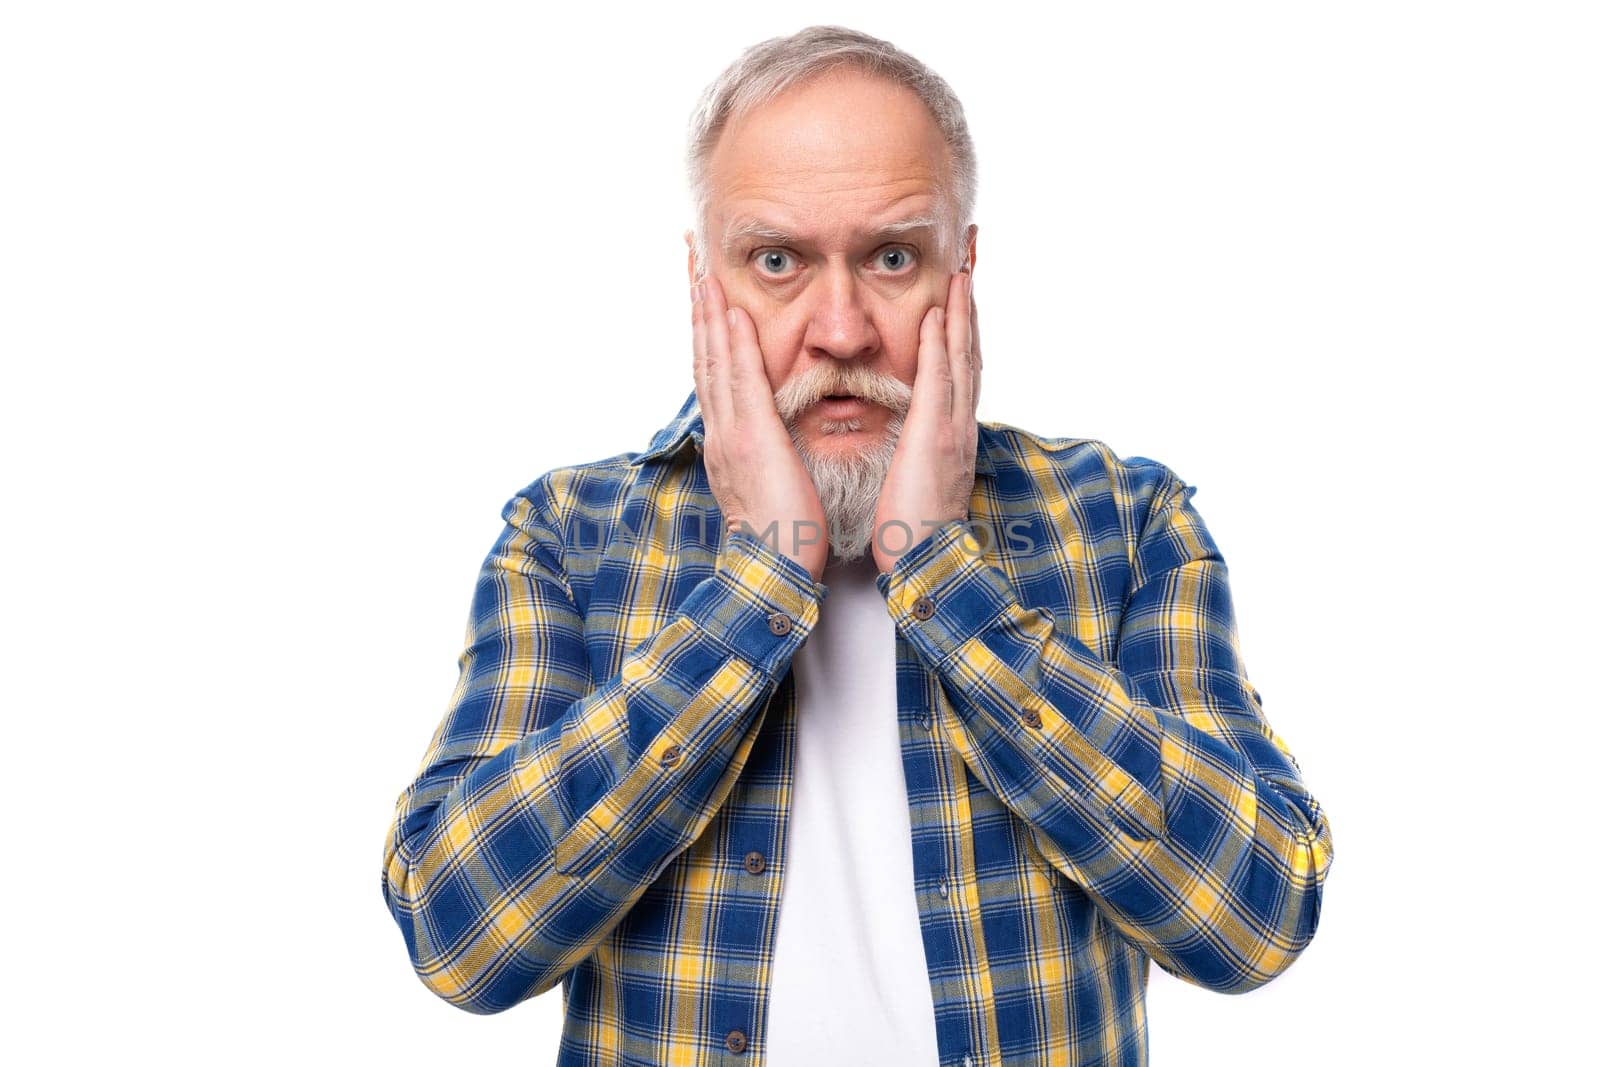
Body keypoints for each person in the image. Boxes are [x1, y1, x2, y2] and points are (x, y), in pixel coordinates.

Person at [380, 24, 1333, 1067]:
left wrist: (937, 571)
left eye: (890, 257)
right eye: (777, 260)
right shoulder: (569, 534)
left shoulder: (1127, 520)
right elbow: (458, 941)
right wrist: (763, 582)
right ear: (706, 282)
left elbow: (1255, 920)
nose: (840, 330)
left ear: (960, 268)